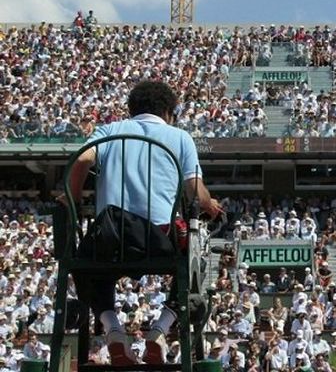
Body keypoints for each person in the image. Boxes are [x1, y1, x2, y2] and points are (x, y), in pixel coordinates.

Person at [61, 81, 222, 365]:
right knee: (196, 257)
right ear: (169, 112)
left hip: (110, 238)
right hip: (159, 240)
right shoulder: (180, 136)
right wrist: (210, 204)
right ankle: (159, 331)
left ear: (131, 109)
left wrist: (72, 198)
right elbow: (194, 191)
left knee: (82, 260)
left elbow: (82, 158)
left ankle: (113, 330)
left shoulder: (109, 131)